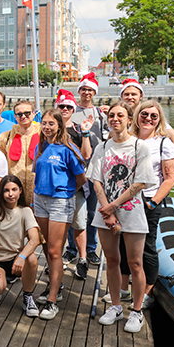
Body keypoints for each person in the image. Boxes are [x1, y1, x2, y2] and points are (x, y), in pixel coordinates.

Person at [88, 101, 157, 334]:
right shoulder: (102, 147)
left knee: (135, 263)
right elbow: (96, 179)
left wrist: (114, 206)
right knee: (112, 259)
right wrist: (106, 210)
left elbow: (140, 182)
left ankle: (136, 311)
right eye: (111, 115)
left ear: (130, 119)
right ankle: (116, 306)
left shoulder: (139, 147)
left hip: (132, 210)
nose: (115, 119)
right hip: (105, 212)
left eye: (120, 115)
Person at [31, 108, 87, 320]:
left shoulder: (68, 148)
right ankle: (56, 286)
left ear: (59, 125)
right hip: (40, 200)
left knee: (55, 251)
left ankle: (52, 300)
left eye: (51, 124)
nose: (46, 127)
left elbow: (81, 178)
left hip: (59, 203)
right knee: (46, 247)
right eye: (44, 123)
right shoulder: (42, 145)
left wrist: (66, 193)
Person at [131, 100, 174, 309]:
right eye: (144, 114)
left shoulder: (164, 143)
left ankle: (147, 290)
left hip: (149, 199)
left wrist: (152, 202)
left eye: (153, 116)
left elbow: (170, 178)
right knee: (126, 246)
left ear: (159, 120)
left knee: (147, 248)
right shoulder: (128, 139)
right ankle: (127, 288)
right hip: (127, 200)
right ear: (137, 116)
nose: (148, 118)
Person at [0, 175, 41, 316]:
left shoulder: (25, 211)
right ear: (1, 192)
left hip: (16, 260)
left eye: (14, 189)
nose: (10, 194)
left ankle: (27, 296)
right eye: (6, 190)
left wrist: (21, 256)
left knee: (32, 258)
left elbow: (34, 239)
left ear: (20, 190)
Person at [55, 89, 95, 280]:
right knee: (59, 225)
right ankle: (58, 260)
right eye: (61, 106)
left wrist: (86, 133)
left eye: (68, 106)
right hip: (55, 187)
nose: (64, 109)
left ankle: (83, 258)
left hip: (76, 185)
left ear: (73, 109)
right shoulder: (49, 130)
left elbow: (86, 155)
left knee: (79, 223)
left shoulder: (79, 129)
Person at [68, 73, 105, 269]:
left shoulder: (100, 113)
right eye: (84, 89)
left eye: (90, 90)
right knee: (71, 209)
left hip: (95, 167)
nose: (87, 93)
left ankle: (91, 248)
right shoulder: (71, 110)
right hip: (75, 167)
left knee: (92, 210)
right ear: (79, 91)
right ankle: (71, 248)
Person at [0, 99, 40, 207]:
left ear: (33, 114)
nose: (23, 116)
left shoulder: (43, 134)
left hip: (37, 194)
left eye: (27, 113)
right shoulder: (7, 136)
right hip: (14, 195)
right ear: (15, 116)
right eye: (19, 114)